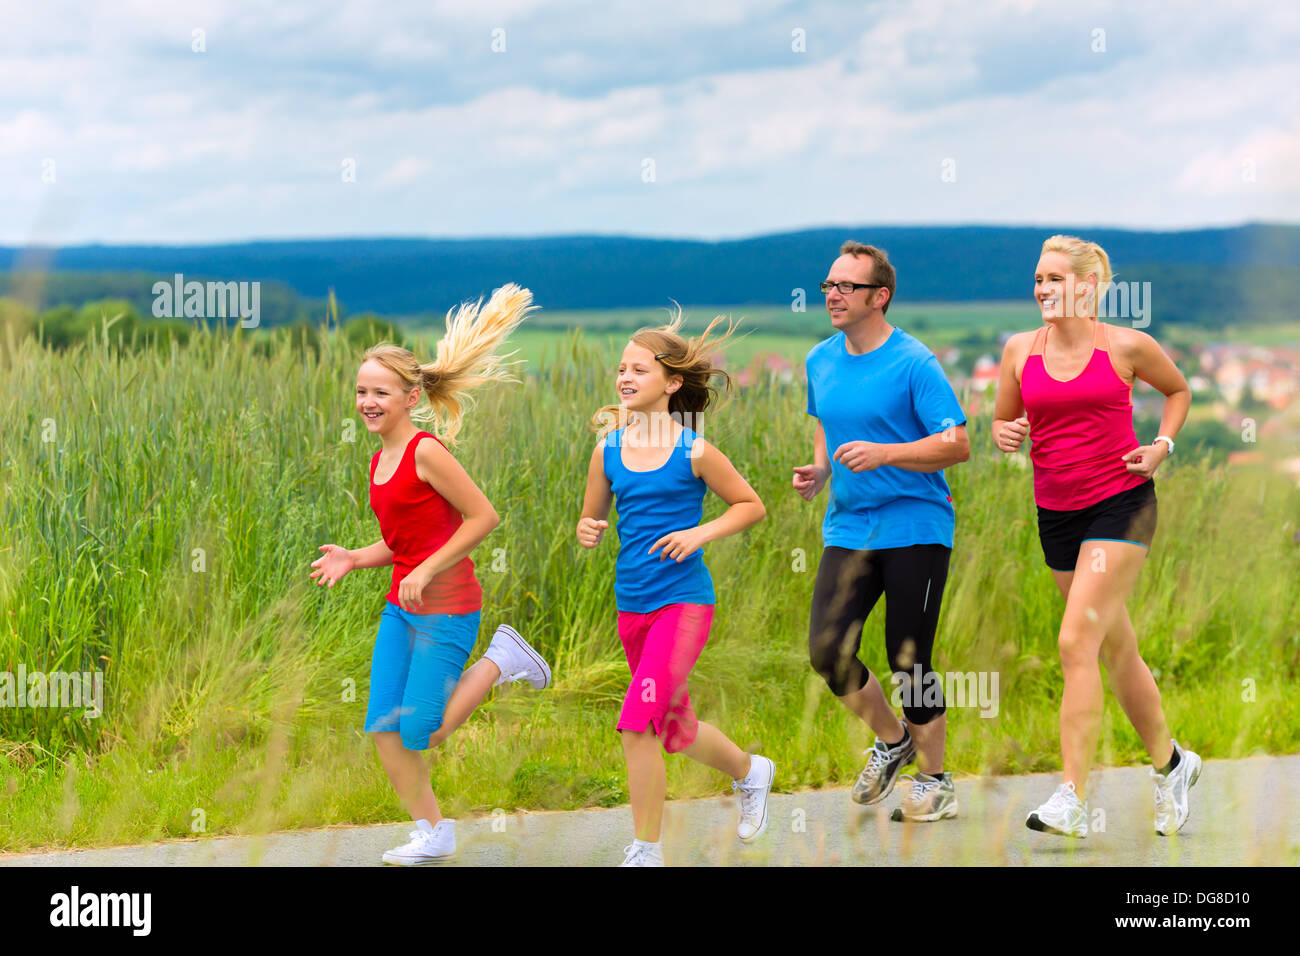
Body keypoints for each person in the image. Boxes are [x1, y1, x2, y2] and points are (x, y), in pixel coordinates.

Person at [310, 284, 551, 864]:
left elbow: (483, 516)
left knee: (425, 731)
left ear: (411, 395)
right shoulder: (379, 460)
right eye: (362, 391)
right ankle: (434, 832)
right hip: (403, 607)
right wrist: (355, 557)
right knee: (383, 728)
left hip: (448, 605)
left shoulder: (426, 451)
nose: (368, 401)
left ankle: (503, 659)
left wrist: (432, 568)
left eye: (381, 392)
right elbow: (405, 544)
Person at [992, 235, 1200, 837]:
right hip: (1056, 513)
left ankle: (1072, 797)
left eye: (1054, 279)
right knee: (1114, 648)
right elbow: (1005, 418)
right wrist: (1006, 433)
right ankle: (1171, 765)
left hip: (1121, 504)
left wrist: (1161, 446)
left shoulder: (1127, 345)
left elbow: (1178, 391)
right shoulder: (1017, 350)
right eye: (1038, 279)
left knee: (1075, 640)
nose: (1042, 289)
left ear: (1085, 287)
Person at [576, 312, 772, 866]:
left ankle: (646, 850)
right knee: (676, 729)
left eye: (639, 368)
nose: (625, 377)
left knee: (637, 724)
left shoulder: (695, 451)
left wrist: (698, 533)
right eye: (621, 368)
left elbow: (751, 505)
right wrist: (587, 529)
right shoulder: (607, 451)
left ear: (671, 382)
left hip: (684, 603)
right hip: (631, 605)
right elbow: (591, 520)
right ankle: (750, 771)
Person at [793, 241, 970, 823]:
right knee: (827, 647)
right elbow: (827, 426)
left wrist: (887, 454)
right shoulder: (821, 359)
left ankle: (937, 780)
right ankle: (893, 741)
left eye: (847, 286)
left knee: (907, 656)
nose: (834, 295)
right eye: (829, 286)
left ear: (880, 296)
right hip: (849, 526)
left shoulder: (914, 362)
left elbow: (956, 443)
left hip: (915, 523)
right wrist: (820, 469)